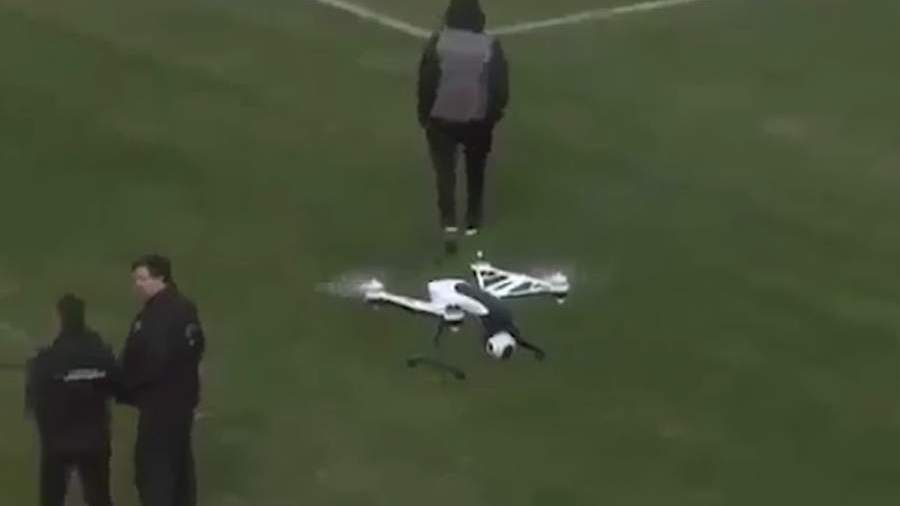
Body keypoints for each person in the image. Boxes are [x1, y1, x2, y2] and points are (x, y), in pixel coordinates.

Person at [417, 0, 510, 241]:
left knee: (444, 172)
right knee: (475, 171)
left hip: (441, 118)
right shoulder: (489, 44)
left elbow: (427, 81)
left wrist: (424, 114)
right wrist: (495, 114)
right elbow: (499, 85)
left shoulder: (438, 42)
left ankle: (448, 221)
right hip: (477, 120)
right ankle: (472, 221)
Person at [119, 254, 206, 506]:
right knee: (179, 470)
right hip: (182, 404)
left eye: (142, 279)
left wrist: (126, 387)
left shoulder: (156, 316)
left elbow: (151, 361)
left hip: (159, 406)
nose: (137, 285)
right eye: (135, 280)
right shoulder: (185, 308)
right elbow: (197, 346)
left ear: (161, 279)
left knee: (154, 472)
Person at [25, 294, 119, 506]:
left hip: (57, 442)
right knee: (99, 498)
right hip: (95, 438)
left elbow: (34, 401)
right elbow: (118, 386)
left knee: (51, 499)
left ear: (60, 319)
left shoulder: (46, 359)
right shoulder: (100, 353)